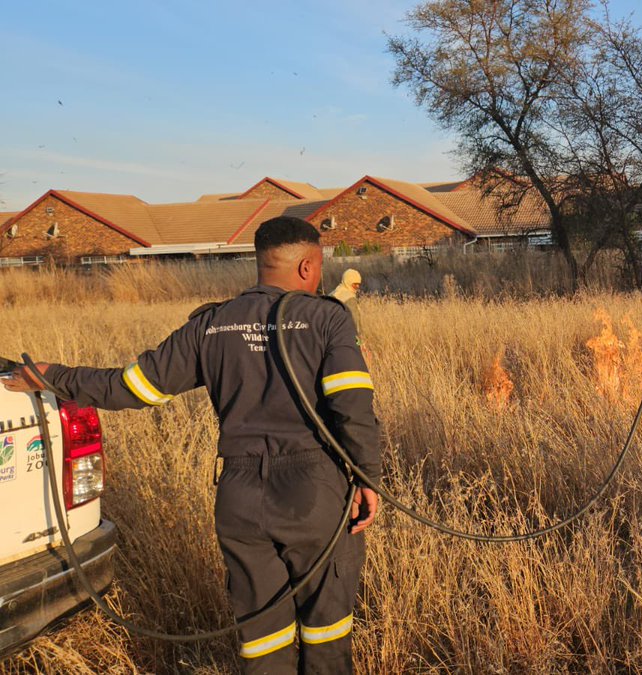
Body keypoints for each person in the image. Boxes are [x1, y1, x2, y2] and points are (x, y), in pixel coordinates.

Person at [3, 216, 381, 674]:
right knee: (326, 634)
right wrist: (366, 478)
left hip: (241, 499)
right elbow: (352, 406)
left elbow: (132, 387)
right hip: (315, 494)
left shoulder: (212, 325)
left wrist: (53, 375)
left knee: (263, 641)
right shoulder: (329, 318)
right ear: (307, 268)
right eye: (319, 268)